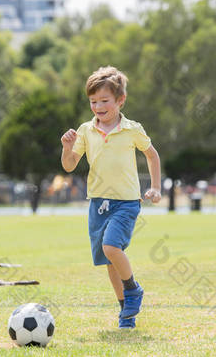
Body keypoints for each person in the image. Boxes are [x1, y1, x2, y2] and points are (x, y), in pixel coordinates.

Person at [60, 66, 162, 329]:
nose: (98, 106)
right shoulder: (86, 130)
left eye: (104, 101)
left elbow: (152, 155)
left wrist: (156, 187)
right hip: (97, 202)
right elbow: (70, 165)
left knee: (111, 247)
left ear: (120, 100)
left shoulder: (132, 129)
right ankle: (125, 312)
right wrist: (67, 148)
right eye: (93, 101)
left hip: (126, 202)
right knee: (109, 261)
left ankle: (133, 290)